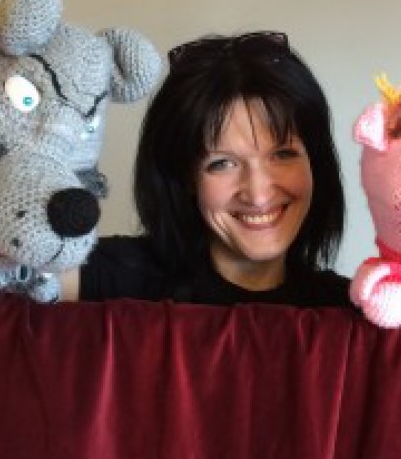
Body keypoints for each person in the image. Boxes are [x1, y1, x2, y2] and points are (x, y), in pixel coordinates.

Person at [60, 31, 350, 307]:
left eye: (283, 154)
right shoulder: (120, 277)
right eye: (222, 163)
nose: (258, 195)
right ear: (186, 176)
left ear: (315, 162)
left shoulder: (349, 309)